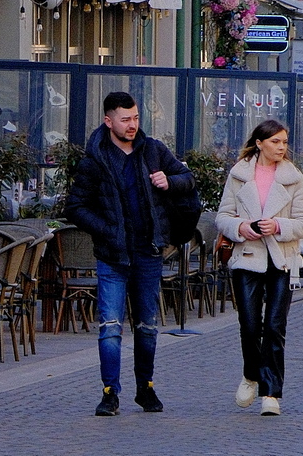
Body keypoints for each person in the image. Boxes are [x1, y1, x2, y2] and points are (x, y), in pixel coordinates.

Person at [66, 91, 195, 417]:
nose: (132, 125)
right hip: (112, 256)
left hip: (149, 253)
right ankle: (110, 393)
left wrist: (170, 181)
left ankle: (145, 388)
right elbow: (75, 207)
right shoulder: (94, 160)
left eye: (135, 118)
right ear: (109, 121)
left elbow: (188, 179)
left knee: (147, 326)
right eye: (125, 119)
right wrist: (107, 229)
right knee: (110, 326)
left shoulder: (153, 151)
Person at [215, 120, 303, 417]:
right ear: (259, 143)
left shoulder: (293, 178)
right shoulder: (239, 175)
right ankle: (250, 375)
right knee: (248, 325)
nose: (281, 147)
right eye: (275, 142)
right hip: (247, 256)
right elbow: (222, 217)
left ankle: (270, 392)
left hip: (281, 257)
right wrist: (242, 226)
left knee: (274, 326)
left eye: (284, 142)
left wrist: (279, 225)